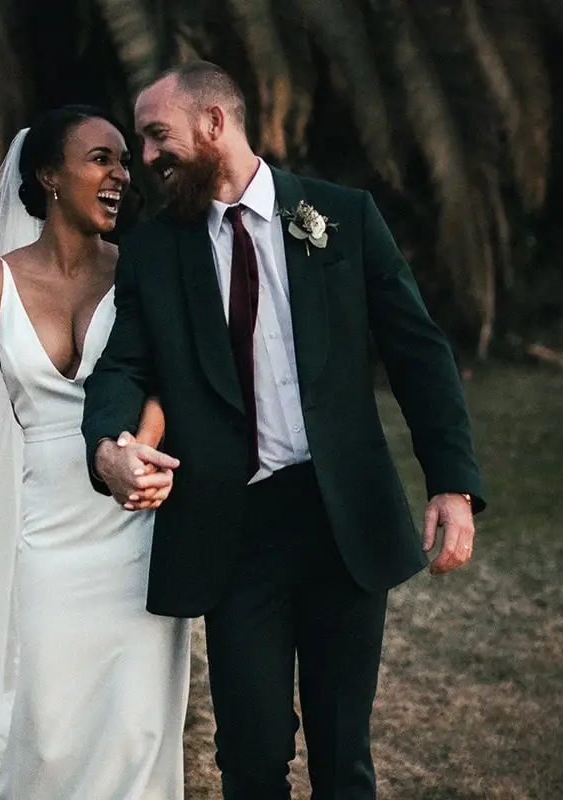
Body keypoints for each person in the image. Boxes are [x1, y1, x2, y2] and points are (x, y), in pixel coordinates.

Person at [83, 62, 486, 799]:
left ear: (214, 124)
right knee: (252, 752)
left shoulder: (344, 216)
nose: (146, 157)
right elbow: (122, 367)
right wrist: (109, 446)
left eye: (155, 134)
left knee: (343, 755)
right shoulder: (155, 249)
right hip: (235, 529)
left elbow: (418, 351)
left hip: (342, 517)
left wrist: (453, 483)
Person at [0, 105, 191, 799]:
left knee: (139, 730)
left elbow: (169, 381)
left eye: (124, 161)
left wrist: (140, 452)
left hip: (136, 521)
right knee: (49, 734)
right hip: (49, 536)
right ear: (49, 175)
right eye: (100, 159)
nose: (120, 174)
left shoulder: (140, 269)